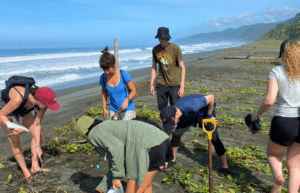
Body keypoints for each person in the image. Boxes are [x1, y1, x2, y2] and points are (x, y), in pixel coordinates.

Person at [74, 116, 173, 193]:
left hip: (148, 146)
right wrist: (100, 189)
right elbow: (114, 165)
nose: (89, 143)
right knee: (145, 184)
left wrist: (117, 177)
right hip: (161, 140)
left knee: (134, 183)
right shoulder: (106, 127)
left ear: (86, 136)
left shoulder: (94, 134)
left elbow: (117, 148)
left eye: (86, 141)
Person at [251, 39, 300, 193]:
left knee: (273, 154)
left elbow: (269, 100)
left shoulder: (277, 71)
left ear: (283, 54)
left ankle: (279, 178)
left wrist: (256, 114)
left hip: (284, 122)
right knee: (295, 165)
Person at [0, 85, 60, 182]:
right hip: (5, 106)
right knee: (14, 139)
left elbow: (37, 125)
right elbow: (1, 114)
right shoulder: (18, 98)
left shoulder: (42, 104)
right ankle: (25, 172)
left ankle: (35, 166)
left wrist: (38, 147)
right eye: (47, 104)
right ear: (39, 100)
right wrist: (12, 126)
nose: (48, 107)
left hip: (24, 106)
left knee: (38, 133)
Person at [160, 94, 230, 175]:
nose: (171, 125)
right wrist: (163, 159)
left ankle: (225, 166)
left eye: (171, 123)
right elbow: (166, 135)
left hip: (204, 113)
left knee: (214, 138)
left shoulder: (193, 105)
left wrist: (209, 116)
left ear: (175, 116)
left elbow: (211, 97)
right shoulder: (173, 111)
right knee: (176, 135)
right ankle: (172, 160)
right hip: (189, 116)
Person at [150, 27, 186, 111]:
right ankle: (165, 124)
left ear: (167, 38)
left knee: (176, 109)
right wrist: (151, 84)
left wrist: (182, 86)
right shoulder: (155, 49)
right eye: (160, 39)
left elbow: (182, 67)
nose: (161, 41)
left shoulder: (175, 49)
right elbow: (154, 67)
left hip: (174, 84)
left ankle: (175, 124)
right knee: (163, 110)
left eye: (162, 39)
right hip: (161, 84)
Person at [99, 47, 137, 120]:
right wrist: (104, 108)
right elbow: (104, 93)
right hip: (113, 110)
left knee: (126, 130)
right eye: (104, 70)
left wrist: (126, 100)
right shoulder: (103, 78)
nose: (106, 72)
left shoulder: (124, 75)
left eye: (108, 69)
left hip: (127, 109)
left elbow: (134, 91)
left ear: (114, 65)